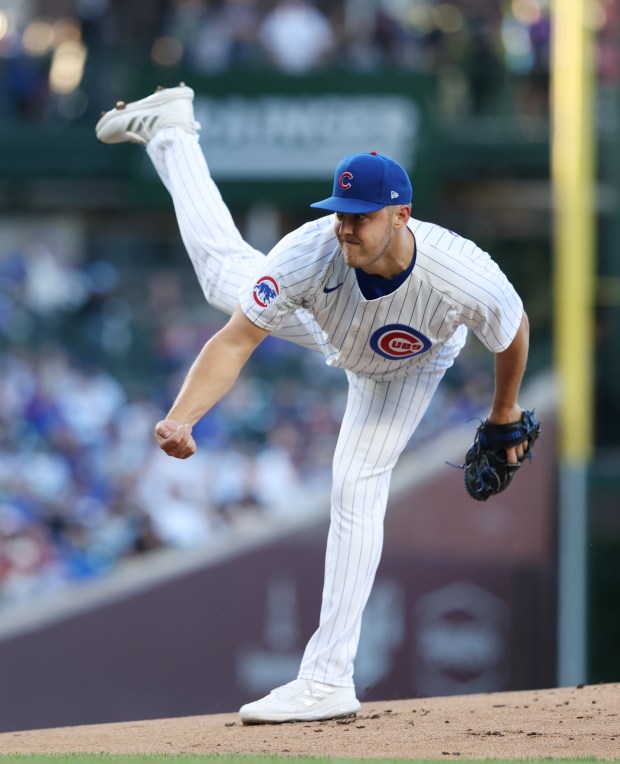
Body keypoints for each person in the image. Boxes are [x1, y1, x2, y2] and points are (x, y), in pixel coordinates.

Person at [96, 84, 530, 724]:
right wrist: (183, 415)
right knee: (224, 281)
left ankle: (327, 680)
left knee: (356, 484)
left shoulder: (462, 273)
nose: (346, 225)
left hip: (409, 364)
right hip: (333, 323)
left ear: (402, 215)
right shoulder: (309, 250)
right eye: (340, 211)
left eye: (362, 215)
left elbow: (512, 329)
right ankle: (171, 130)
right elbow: (236, 338)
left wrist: (503, 413)